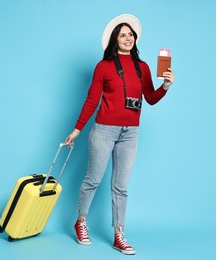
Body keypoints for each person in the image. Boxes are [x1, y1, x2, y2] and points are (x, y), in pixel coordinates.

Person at [65, 14, 174, 255]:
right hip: (104, 130)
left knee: (121, 186)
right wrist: (77, 130)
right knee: (93, 180)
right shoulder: (103, 67)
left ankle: (119, 234)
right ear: (115, 40)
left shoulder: (143, 67)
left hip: (130, 133)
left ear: (135, 39)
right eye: (123, 34)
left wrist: (165, 86)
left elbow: (151, 99)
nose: (128, 38)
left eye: (131, 34)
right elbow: (92, 100)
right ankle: (81, 221)